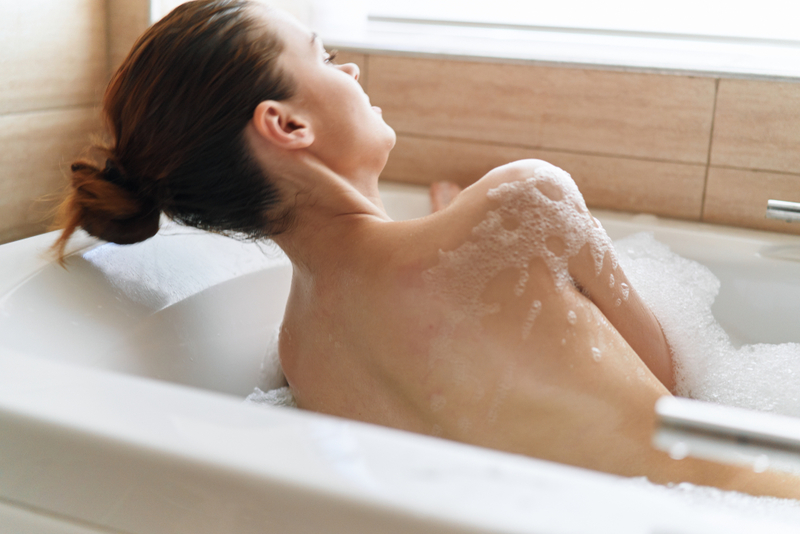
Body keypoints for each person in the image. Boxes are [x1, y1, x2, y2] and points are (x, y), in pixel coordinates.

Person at [54, 0, 800, 499]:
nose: (349, 71)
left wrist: (457, 222)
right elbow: (675, 382)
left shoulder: (304, 350)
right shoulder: (523, 203)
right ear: (286, 126)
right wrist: (489, 223)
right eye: (325, 54)